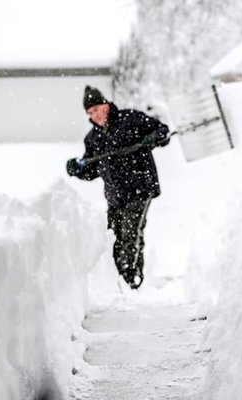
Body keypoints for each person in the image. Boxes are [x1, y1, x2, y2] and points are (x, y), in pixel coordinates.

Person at [66, 86, 170, 289]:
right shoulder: (93, 139)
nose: (93, 116)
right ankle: (120, 281)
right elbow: (91, 170)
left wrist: (154, 138)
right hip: (115, 195)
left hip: (140, 187)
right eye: (89, 113)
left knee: (131, 232)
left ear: (105, 104)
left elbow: (162, 130)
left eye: (96, 109)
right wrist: (77, 168)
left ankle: (132, 278)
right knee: (115, 235)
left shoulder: (130, 119)